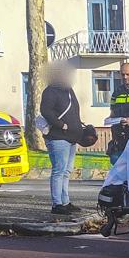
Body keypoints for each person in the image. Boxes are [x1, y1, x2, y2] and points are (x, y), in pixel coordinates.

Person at [40, 62, 84, 215]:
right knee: (59, 170)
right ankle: (57, 204)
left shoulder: (68, 90)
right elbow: (46, 111)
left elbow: (74, 111)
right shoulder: (50, 91)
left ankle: (65, 201)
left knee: (66, 171)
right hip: (58, 137)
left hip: (71, 137)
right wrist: (61, 125)